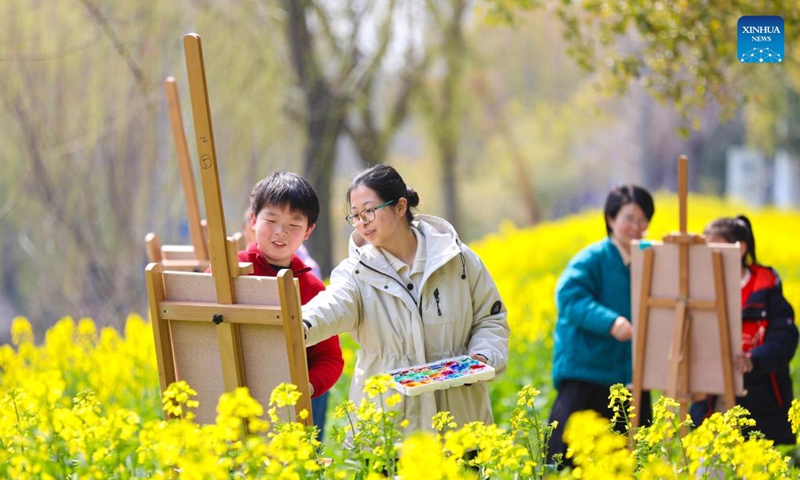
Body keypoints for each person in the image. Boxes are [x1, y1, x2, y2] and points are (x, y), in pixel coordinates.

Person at [301, 164, 510, 433]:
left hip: (460, 422)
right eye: (354, 215)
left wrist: (483, 356)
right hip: (391, 429)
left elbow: (490, 318)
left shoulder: (458, 259)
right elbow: (332, 304)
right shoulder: (354, 272)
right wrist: (300, 325)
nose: (361, 222)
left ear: (400, 207)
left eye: (368, 211)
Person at [547, 185, 655, 466]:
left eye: (643, 221)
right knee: (569, 459)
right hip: (588, 371)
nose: (636, 226)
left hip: (631, 374)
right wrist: (611, 322)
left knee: (629, 460)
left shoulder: (650, 258)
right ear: (610, 219)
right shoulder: (592, 258)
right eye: (629, 218)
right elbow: (569, 297)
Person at [240, 172, 344, 440]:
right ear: (253, 220)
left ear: (309, 231)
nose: (280, 232)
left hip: (287, 418)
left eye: (294, 225)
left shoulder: (312, 288)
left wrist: (305, 387)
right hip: (230, 407)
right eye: (271, 220)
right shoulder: (229, 271)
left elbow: (330, 358)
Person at [689, 215, 798, 444]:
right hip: (711, 401)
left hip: (760, 402)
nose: (710, 256)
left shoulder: (766, 290)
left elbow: (784, 339)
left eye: (717, 249)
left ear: (740, 249)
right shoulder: (698, 289)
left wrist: (753, 360)